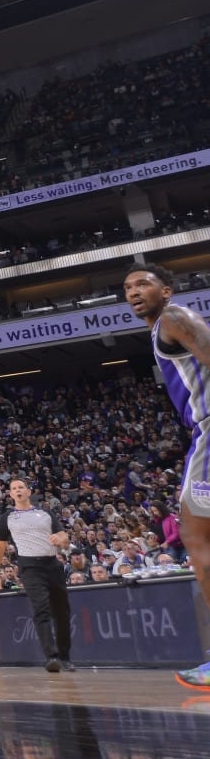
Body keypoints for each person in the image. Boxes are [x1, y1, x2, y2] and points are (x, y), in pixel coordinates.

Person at [125, 263, 210, 691]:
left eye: (143, 283)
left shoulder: (175, 317)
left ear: (167, 290)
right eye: (128, 287)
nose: (134, 291)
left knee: (200, 543)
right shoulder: (162, 328)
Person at [0, 477, 72, 672]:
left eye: (21, 487)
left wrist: (61, 540)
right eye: (14, 488)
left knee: (62, 613)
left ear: (28, 491)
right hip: (30, 568)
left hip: (53, 564)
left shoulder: (44, 513)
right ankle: (51, 657)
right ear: (10, 494)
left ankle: (65, 657)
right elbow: (0, 545)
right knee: (41, 609)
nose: (17, 490)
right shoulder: (7, 517)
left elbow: (64, 538)